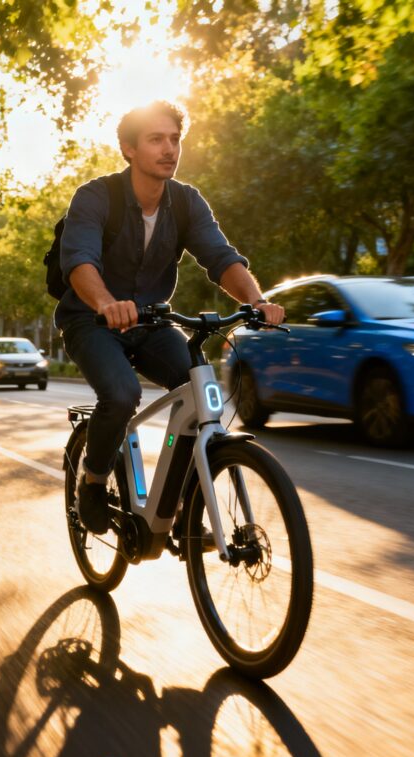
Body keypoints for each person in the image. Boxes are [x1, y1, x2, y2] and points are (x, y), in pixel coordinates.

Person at [56, 100, 284, 533]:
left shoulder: (185, 202)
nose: (169, 149)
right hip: (92, 321)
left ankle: (181, 504)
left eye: (175, 139)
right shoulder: (96, 197)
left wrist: (256, 300)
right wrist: (105, 303)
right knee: (121, 394)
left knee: (200, 392)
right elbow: (80, 261)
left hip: (153, 323)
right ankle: (94, 480)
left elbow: (220, 258)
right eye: (156, 139)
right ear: (129, 149)